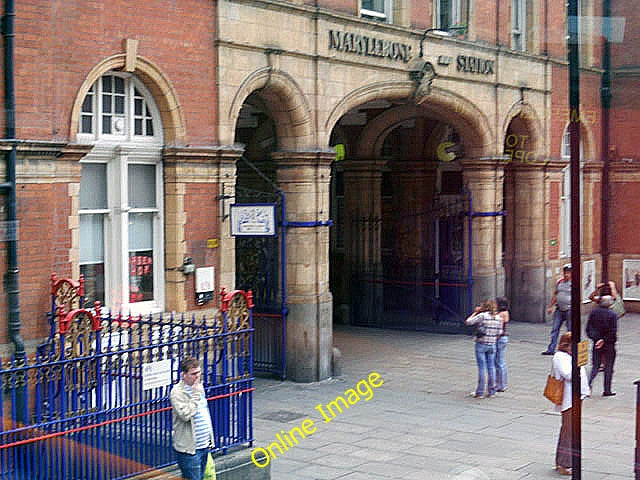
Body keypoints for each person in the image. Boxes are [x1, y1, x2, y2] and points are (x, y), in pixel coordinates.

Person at [551, 332, 591, 475]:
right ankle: (564, 463)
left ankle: (562, 461)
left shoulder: (569, 357)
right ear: (566, 345)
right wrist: (577, 362)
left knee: (568, 430)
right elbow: (568, 375)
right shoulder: (560, 357)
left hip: (576, 397)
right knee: (568, 431)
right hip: (568, 399)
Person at [170, 357, 215, 480]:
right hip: (189, 449)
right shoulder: (177, 392)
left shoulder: (199, 388)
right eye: (193, 374)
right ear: (183, 375)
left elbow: (203, 412)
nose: (197, 376)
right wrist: (195, 395)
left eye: (199, 372)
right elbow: (185, 415)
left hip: (204, 445)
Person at [465, 299, 503, 398]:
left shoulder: (482, 316)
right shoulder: (499, 318)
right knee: (491, 368)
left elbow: (468, 322)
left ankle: (480, 392)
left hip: (481, 344)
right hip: (492, 345)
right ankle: (491, 392)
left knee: (482, 368)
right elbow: (499, 333)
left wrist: (475, 312)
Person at [586, 292, 618, 396]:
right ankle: (607, 390)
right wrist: (604, 340)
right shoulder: (612, 315)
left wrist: (597, 339)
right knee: (608, 367)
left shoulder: (593, 313)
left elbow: (589, 328)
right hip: (609, 344)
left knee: (595, 366)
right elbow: (613, 331)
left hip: (596, 343)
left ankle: (588, 385)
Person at [542, 264, 572, 355]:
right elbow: (555, 294)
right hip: (559, 309)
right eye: (565, 272)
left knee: (569, 330)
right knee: (555, 329)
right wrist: (551, 306)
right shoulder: (560, 282)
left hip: (569, 309)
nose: (566, 274)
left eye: (568, 273)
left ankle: (569, 349)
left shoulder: (574, 283)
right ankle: (551, 349)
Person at [495, 296, 509, 392]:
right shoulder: (505, 312)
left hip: (500, 338)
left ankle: (500, 385)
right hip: (503, 338)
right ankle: (502, 384)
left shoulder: (502, 314)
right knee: (501, 362)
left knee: (499, 362)